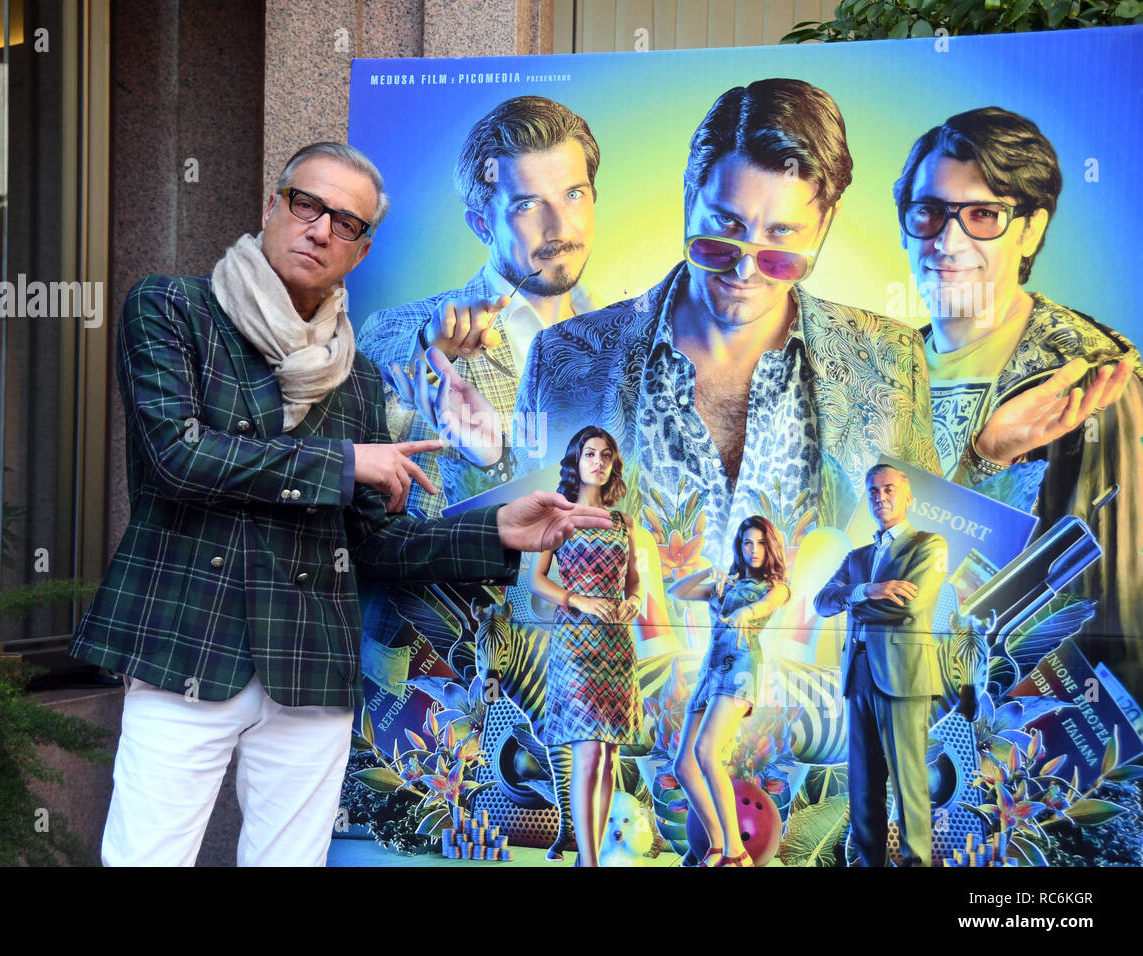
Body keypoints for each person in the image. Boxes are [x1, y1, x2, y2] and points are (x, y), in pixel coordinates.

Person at [67, 141, 613, 867]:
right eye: (306, 205)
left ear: (360, 250)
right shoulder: (172, 309)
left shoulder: (356, 377)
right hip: (187, 648)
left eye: (346, 223)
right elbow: (179, 458)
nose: (320, 230)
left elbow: (378, 544)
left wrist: (496, 534)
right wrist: (348, 461)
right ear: (273, 205)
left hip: (309, 665)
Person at [502, 78, 941, 573]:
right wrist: (481, 464)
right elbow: (519, 566)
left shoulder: (890, 359)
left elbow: (926, 558)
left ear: (826, 223)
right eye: (726, 226)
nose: (745, 269)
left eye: (781, 235)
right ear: (691, 197)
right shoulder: (564, 359)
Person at [893, 106, 1142, 689]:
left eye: (983, 215)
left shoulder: (1093, 385)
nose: (947, 241)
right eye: (929, 211)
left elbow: (1117, 622)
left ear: (1031, 228)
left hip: (1017, 743)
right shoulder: (885, 365)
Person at [357, 95, 602, 516]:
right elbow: (371, 382)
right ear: (482, 224)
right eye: (527, 204)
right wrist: (427, 347)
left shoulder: (629, 335)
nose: (560, 226)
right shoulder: (409, 328)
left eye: (573, 194)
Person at [814, 464, 948, 867]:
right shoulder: (857, 556)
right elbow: (822, 601)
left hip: (904, 679)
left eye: (889, 489)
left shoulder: (928, 544)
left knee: (909, 784)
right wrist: (868, 589)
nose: (880, 496)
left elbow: (911, 604)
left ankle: (916, 863)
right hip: (858, 678)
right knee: (863, 785)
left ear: (908, 497)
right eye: (873, 490)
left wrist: (852, 604)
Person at [529, 426, 642, 867]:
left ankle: (588, 859)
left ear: (613, 465)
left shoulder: (623, 523)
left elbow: (634, 583)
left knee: (609, 756)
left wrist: (633, 601)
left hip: (615, 642)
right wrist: (577, 599)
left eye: (606, 455)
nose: (598, 461)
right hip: (574, 642)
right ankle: (590, 863)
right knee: (589, 751)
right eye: (590, 453)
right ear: (576, 461)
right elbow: (535, 580)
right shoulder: (558, 516)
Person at [671, 515, 790, 867]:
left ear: (771, 546)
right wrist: (709, 572)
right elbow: (676, 591)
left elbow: (767, 606)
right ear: (739, 548)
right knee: (684, 766)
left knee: (706, 750)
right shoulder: (728, 582)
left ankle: (736, 854)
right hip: (711, 669)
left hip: (739, 667)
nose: (754, 550)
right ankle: (716, 844)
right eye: (747, 543)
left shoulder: (777, 584)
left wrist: (747, 613)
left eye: (760, 543)